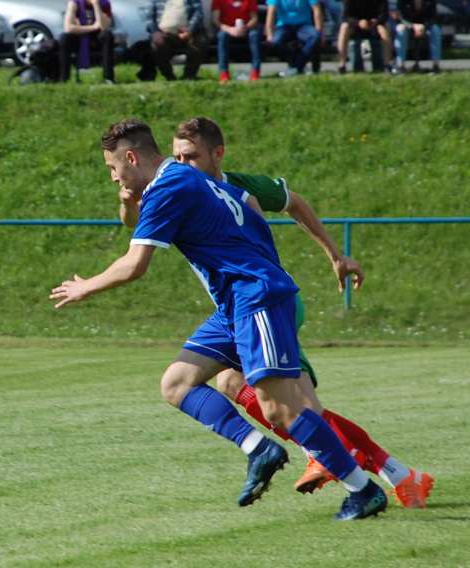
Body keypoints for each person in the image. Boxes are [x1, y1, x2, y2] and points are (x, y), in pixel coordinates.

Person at [50, 119, 389, 520]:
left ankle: (363, 489)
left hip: (256, 297)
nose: (113, 177)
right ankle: (258, 449)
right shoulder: (187, 179)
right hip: (235, 303)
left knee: (281, 409)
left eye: (112, 168)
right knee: (177, 383)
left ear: (130, 157)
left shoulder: (169, 187)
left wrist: (86, 286)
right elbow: (245, 211)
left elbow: (134, 265)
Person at [157, 117, 434, 506]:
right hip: (240, 308)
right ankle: (388, 472)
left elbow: (295, 202)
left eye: (192, 157)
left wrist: (335, 255)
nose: (184, 166)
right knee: (233, 386)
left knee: (299, 408)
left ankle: (374, 471)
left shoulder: (238, 185)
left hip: (266, 303)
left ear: (217, 154)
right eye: (177, 158)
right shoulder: (180, 190)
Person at [147, 0, 207, 80]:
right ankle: (169, 76)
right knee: (157, 43)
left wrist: (189, 30)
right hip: (164, 33)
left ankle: (189, 75)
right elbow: (149, 17)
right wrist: (155, 32)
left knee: (201, 41)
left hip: (188, 33)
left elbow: (198, 13)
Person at [60, 0, 114, 84]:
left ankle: (108, 78)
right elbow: (68, 28)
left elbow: (103, 26)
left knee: (107, 35)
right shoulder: (74, 3)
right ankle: (64, 79)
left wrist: (96, 5)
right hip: (80, 35)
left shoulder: (105, 4)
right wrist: (93, 27)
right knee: (64, 38)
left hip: (97, 37)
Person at [266, 0, 322, 76]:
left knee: (315, 36)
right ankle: (296, 64)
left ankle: (297, 66)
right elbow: (271, 13)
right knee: (275, 41)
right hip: (284, 26)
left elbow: (316, 10)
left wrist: (319, 31)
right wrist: (269, 34)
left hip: (304, 25)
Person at [212, 0, 261, 83]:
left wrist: (245, 28)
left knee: (254, 35)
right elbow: (215, 20)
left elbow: (254, 18)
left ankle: (255, 72)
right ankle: (224, 73)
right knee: (222, 36)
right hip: (226, 29)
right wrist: (230, 29)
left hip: (245, 29)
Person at [337, 0, 391, 73]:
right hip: (356, 25)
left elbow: (385, 15)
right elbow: (346, 17)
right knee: (344, 27)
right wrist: (358, 22)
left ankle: (387, 65)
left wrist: (376, 21)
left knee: (385, 29)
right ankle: (342, 64)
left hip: (374, 25)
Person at [391, 0, 442, 74]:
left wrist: (424, 26)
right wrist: (413, 26)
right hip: (407, 25)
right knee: (401, 30)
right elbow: (401, 17)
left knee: (436, 30)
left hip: (425, 26)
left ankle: (435, 65)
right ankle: (400, 66)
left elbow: (433, 17)